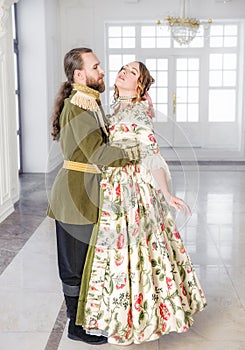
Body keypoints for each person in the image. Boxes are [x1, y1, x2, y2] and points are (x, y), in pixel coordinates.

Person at [75, 61, 207, 345]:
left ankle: (140, 317)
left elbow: (151, 154)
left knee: (133, 251)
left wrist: (166, 192)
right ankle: (115, 314)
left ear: (140, 87)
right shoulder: (114, 108)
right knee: (115, 252)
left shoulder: (137, 112)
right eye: (123, 68)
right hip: (113, 187)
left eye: (133, 72)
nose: (124, 72)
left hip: (132, 190)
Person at [47, 48, 140, 345]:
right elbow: (98, 153)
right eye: (96, 66)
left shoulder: (89, 101)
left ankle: (86, 319)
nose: (102, 71)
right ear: (79, 74)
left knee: (86, 262)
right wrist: (134, 153)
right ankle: (75, 326)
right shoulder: (79, 104)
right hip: (75, 194)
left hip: (87, 190)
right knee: (73, 266)